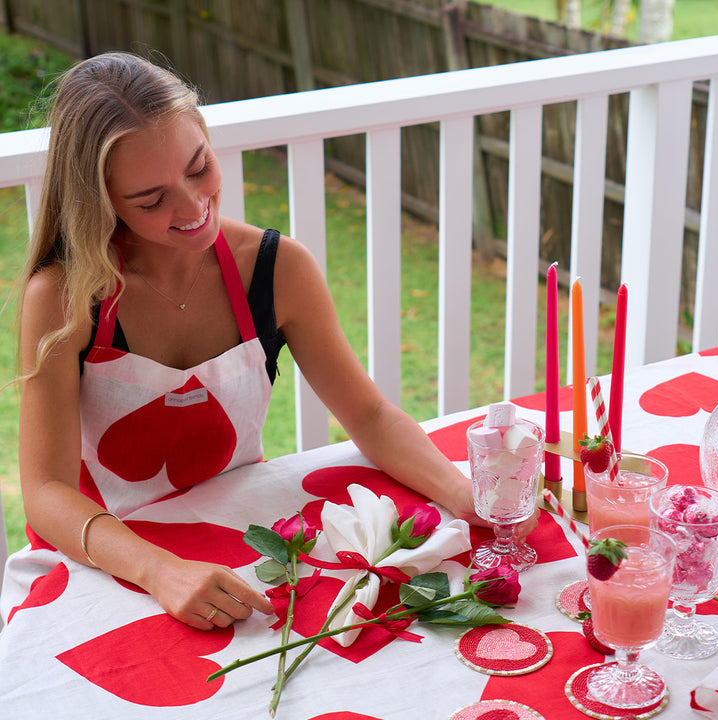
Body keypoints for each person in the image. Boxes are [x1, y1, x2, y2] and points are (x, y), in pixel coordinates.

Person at [13, 52, 537, 632]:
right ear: (100, 200)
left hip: (232, 533)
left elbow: (368, 414)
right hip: (103, 555)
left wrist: (464, 494)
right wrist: (160, 571)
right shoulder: (63, 297)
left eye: (199, 166)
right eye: (152, 199)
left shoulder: (276, 268)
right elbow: (47, 491)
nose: (192, 207)